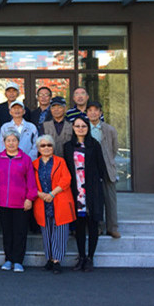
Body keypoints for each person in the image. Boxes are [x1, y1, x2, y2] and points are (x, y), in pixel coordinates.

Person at [63, 118, 108, 272]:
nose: (80, 128)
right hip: (75, 191)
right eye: (77, 126)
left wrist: (94, 183)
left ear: (88, 128)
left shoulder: (94, 145)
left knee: (93, 224)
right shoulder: (68, 146)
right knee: (79, 226)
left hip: (92, 190)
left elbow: (101, 167)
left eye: (83, 126)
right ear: (73, 128)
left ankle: (90, 258)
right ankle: (81, 257)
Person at [0, 130, 36, 273]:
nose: (11, 143)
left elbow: (31, 181)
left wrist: (29, 198)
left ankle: (18, 261)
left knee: (20, 232)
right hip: (3, 202)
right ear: (4, 142)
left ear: (18, 142)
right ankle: (8, 259)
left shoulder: (25, 159)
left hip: (21, 203)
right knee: (7, 232)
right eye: (8, 140)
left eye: (14, 140)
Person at [32, 134, 76, 275]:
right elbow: (30, 183)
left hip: (59, 200)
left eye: (49, 145)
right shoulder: (34, 164)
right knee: (47, 233)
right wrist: (40, 194)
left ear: (53, 147)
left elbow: (66, 179)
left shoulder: (60, 162)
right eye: (43, 145)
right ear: (38, 148)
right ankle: (49, 259)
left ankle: (57, 261)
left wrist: (52, 194)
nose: (46, 148)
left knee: (60, 233)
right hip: (42, 202)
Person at [86, 100, 120, 239]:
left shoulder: (109, 129)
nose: (93, 113)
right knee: (95, 199)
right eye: (90, 110)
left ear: (100, 113)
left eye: (96, 110)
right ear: (86, 113)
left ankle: (112, 227)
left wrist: (107, 160)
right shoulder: (83, 127)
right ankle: (98, 227)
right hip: (90, 168)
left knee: (110, 199)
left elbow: (114, 149)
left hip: (106, 168)